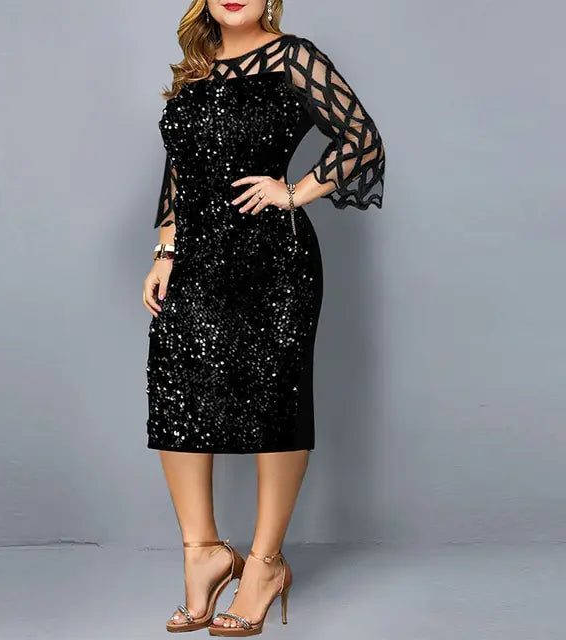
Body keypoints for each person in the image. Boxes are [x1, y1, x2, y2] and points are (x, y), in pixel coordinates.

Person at [142, 0, 385, 635]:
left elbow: (361, 138)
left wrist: (294, 191)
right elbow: (180, 170)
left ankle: (265, 565)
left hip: (273, 261)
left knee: (274, 399)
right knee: (177, 392)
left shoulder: (293, 56)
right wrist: (165, 250)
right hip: (195, 260)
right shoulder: (195, 69)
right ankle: (203, 554)